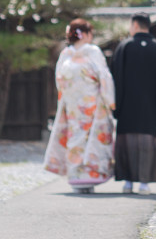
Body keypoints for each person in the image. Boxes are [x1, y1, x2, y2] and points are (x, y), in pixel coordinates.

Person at [43, 18, 115, 194]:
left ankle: (76, 178)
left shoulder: (65, 55)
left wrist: (66, 98)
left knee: (75, 137)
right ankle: (89, 177)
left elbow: (59, 81)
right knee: (90, 138)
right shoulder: (93, 52)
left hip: (72, 105)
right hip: (91, 104)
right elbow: (104, 77)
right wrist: (109, 100)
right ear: (86, 34)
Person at [111, 13, 156, 195]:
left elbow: (115, 79)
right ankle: (144, 184)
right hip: (151, 109)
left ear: (134, 25)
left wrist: (114, 106)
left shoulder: (124, 47)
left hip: (127, 109)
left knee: (127, 142)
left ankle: (127, 182)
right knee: (147, 143)